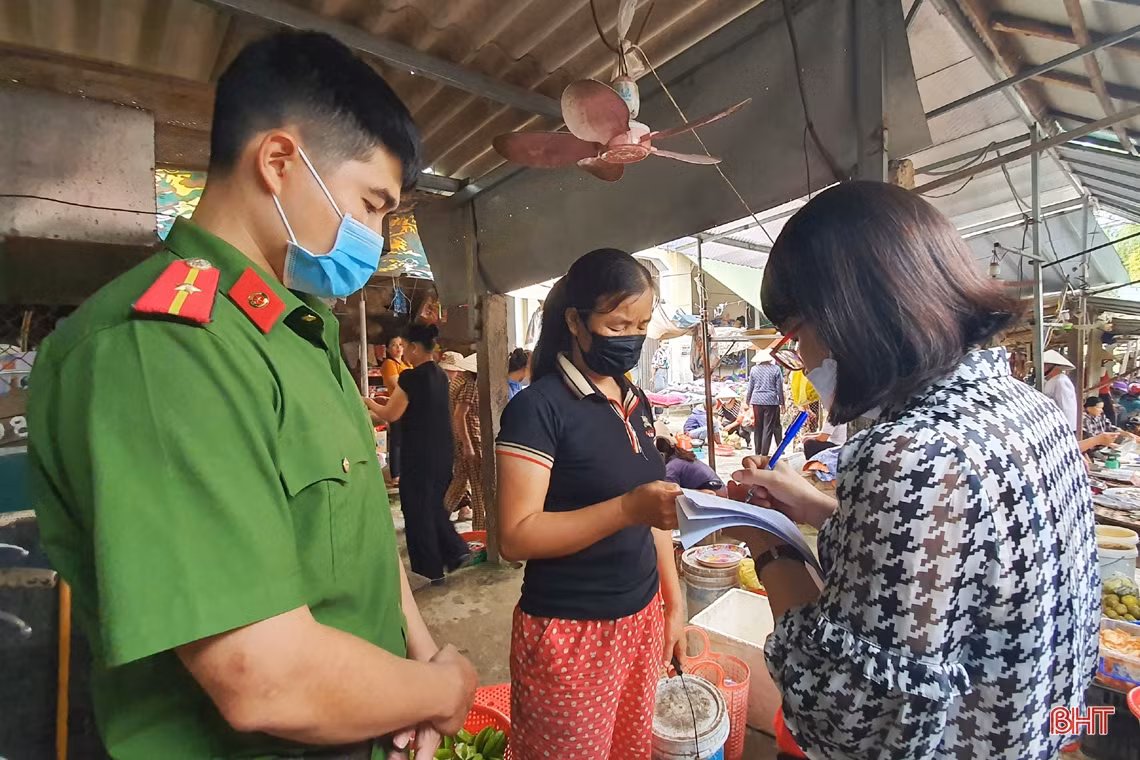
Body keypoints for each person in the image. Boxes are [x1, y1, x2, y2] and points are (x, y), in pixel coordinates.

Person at [26, 31, 476, 760]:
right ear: (277, 161)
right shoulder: (163, 349)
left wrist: (417, 659)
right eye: (370, 204)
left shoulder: (299, 335)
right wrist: (444, 689)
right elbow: (259, 677)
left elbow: (360, 538)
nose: (375, 235)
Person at [724, 182, 1097, 759]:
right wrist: (824, 511)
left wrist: (765, 543)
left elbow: (840, 713)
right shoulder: (1032, 410)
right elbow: (959, 569)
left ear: (850, 314)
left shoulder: (913, 454)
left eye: (797, 333)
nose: (801, 358)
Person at [495, 249, 682, 760]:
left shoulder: (635, 400)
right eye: (618, 323)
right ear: (576, 321)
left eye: (641, 325)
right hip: (570, 633)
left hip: (641, 617)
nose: (632, 337)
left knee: (629, 751)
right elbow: (516, 536)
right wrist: (626, 510)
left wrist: (673, 601)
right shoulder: (538, 409)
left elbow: (657, 514)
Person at [367, 325, 470, 585]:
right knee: (433, 505)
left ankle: (429, 570)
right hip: (442, 452)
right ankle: (455, 550)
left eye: (405, 346)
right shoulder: (440, 375)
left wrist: (366, 401)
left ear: (414, 348)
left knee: (417, 511)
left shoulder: (411, 378)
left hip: (420, 454)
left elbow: (391, 414)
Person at [443, 353, 485, 528]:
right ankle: (481, 528)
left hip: (460, 438)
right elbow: (460, 415)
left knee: (460, 482)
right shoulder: (470, 384)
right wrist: (468, 445)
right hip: (471, 439)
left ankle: (437, 521)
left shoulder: (459, 380)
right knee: (478, 488)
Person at [381, 335, 412, 486]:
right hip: (396, 406)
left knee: (407, 440)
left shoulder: (407, 364)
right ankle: (396, 475)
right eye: (394, 345)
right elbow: (397, 383)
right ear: (387, 349)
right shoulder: (389, 364)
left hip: (409, 407)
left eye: (400, 344)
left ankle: (406, 471)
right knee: (397, 441)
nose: (398, 347)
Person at [746, 348, 785, 455]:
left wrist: (747, 400)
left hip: (756, 400)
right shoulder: (776, 369)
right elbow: (779, 388)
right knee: (768, 428)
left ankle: (757, 452)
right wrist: (782, 403)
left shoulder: (754, 369)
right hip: (771, 401)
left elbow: (750, 387)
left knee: (758, 427)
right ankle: (764, 453)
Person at [655, 437, 725, 494]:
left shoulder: (672, 467)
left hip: (715, 494)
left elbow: (668, 493)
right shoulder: (679, 457)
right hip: (719, 489)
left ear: (661, 455)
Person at [1042, 349, 1079, 434]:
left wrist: (1065, 427)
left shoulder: (1061, 381)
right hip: (1053, 423)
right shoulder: (1049, 381)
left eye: (1045, 366)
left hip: (1062, 425)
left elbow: (1066, 407)